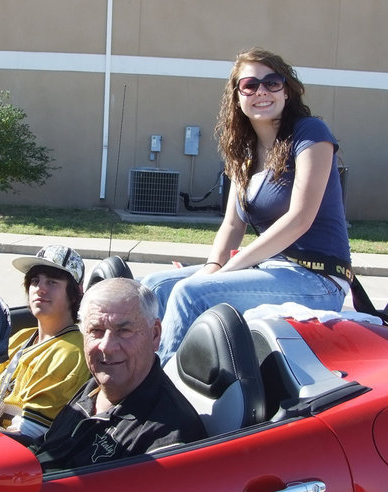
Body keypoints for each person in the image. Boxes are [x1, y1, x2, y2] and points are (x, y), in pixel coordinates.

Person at [142, 47, 352, 364]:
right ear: (238, 96)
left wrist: (225, 272)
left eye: (272, 82)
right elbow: (232, 225)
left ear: (287, 91)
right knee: (154, 287)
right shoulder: (245, 154)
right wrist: (213, 268)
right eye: (250, 85)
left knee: (191, 294)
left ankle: (156, 394)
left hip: (317, 279)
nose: (261, 91)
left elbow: (300, 219)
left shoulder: (310, 133)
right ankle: (133, 372)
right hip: (270, 269)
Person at [31, 278, 207, 471]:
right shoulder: (95, 387)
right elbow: (45, 449)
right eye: (96, 331)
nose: (106, 346)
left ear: (155, 335)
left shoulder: (167, 435)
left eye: (123, 331)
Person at [0, 245, 91, 445]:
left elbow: (27, 436)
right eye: (35, 281)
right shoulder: (20, 338)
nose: (40, 288)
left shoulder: (71, 354)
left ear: (75, 293)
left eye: (52, 282)